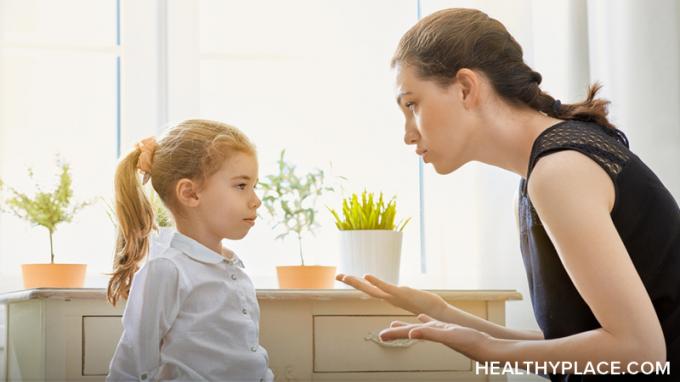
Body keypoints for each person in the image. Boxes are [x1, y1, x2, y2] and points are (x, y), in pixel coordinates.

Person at [337, 8, 679, 381]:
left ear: (466, 88)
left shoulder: (558, 172)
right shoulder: (544, 170)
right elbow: (575, 344)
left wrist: (489, 351)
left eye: (412, 105)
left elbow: (638, 352)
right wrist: (444, 313)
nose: (408, 133)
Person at [106, 119, 274, 381]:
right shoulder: (166, 270)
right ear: (190, 193)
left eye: (254, 186)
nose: (256, 200)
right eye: (241, 186)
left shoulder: (235, 271)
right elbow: (130, 367)